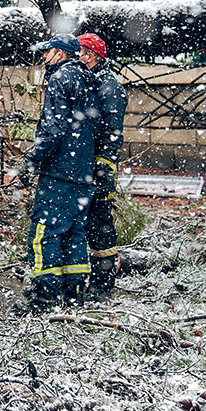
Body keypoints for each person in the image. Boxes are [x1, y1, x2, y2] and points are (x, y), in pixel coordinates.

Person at [17, 33, 99, 313]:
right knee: (74, 234)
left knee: (45, 234)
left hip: (60, 172)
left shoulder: (60, 79)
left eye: (47, 52)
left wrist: (32, 161)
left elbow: (53, 130)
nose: (43, 57)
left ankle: (45, 300)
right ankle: (73, 297)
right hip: (83, 173)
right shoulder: (90, 80)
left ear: (60, 54)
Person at [77, 33, 128, 302]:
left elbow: (112, 134)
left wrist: (103, 166)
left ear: (93, 56)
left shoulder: (109, 88)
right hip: (82, 165)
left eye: (81, 53)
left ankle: (102, 286)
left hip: (99, 170)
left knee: (101, 225)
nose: (77, 58)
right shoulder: (89, 83)